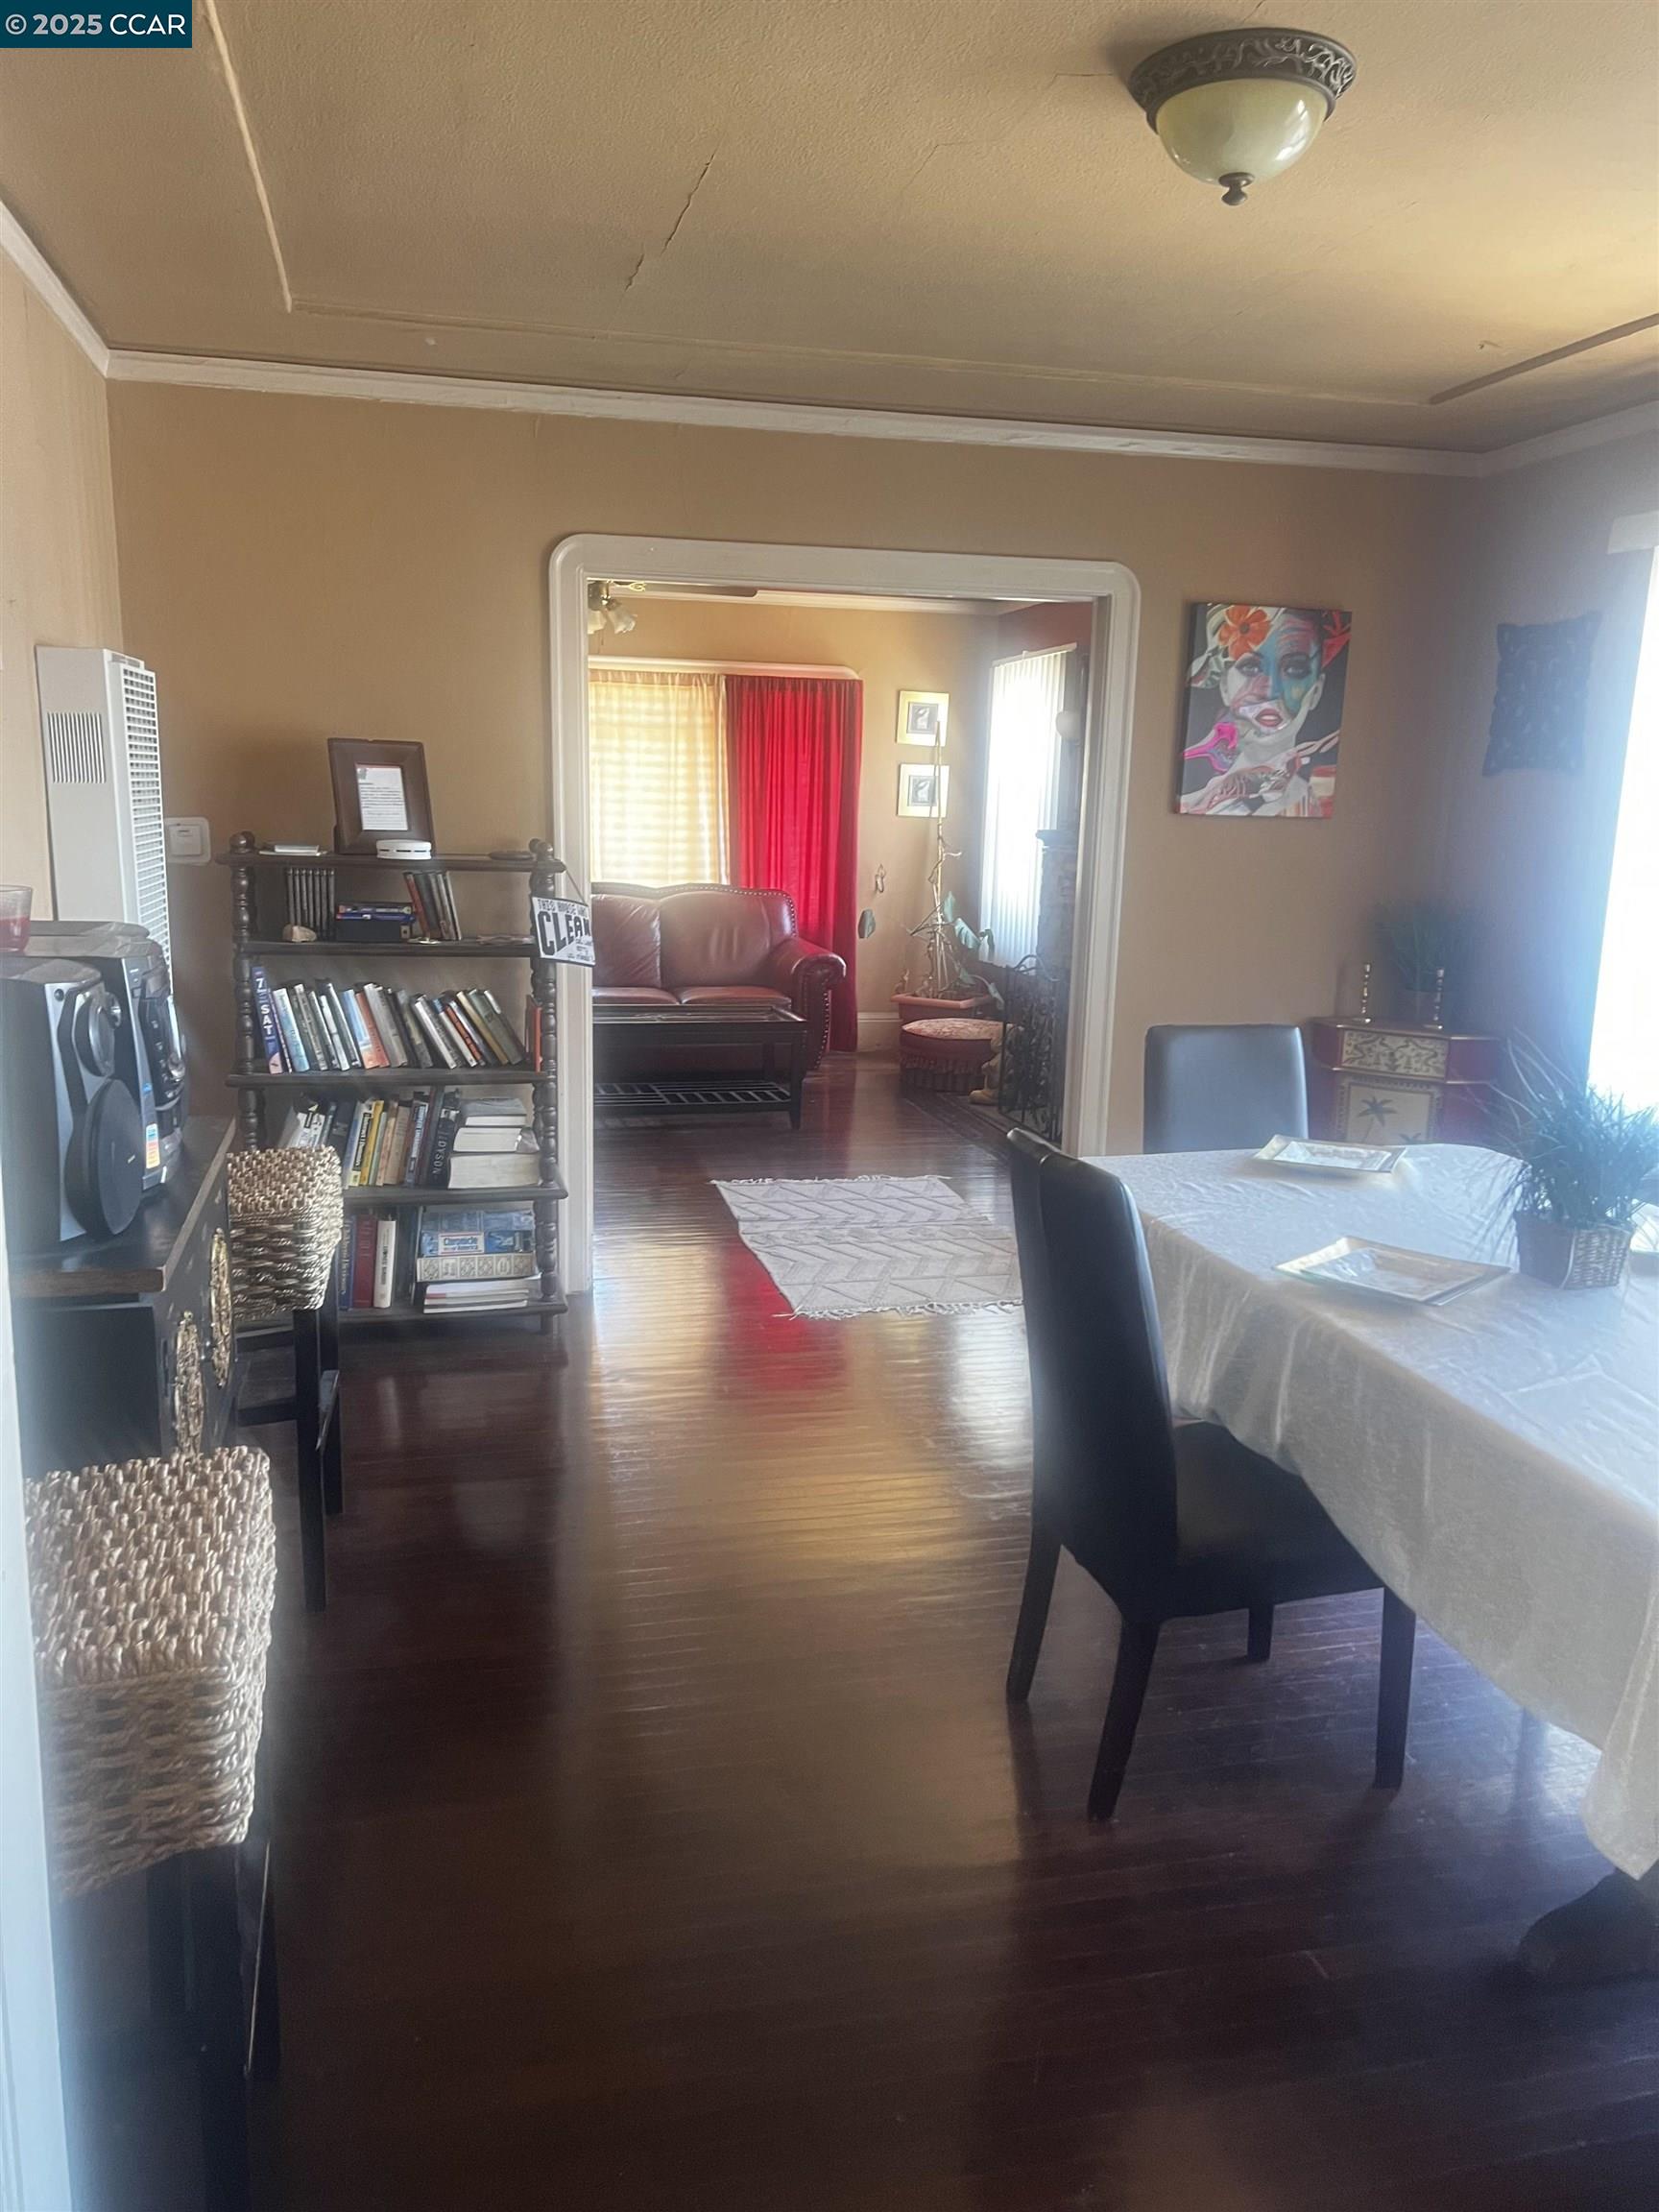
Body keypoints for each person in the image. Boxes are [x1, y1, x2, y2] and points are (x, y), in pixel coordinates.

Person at [1181, 603, 1348, 817]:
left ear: (1316, 691)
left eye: (1294, 668)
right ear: (1224, 686)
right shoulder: (1192, 801)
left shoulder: (1322, 798)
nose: (1269, 689)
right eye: (1250, 667)